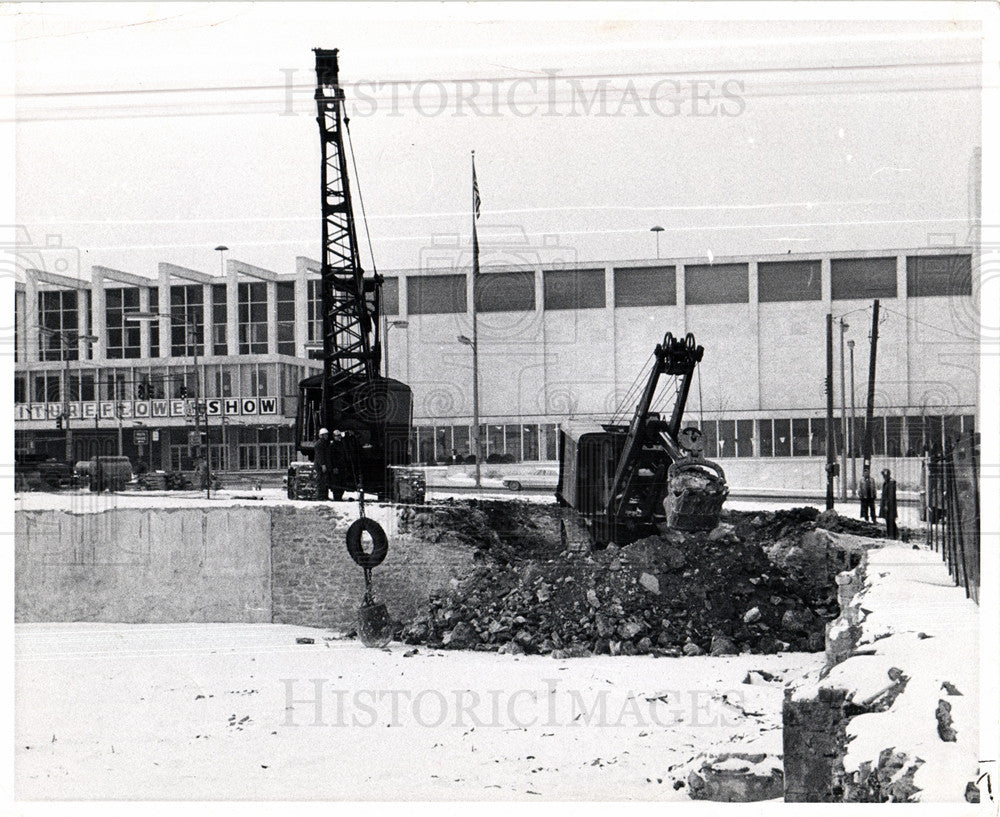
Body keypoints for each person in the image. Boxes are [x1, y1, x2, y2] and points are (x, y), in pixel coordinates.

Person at [314, 428, 333, 501]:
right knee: (321, 480)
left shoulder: (325, 443)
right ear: (321, 435)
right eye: (325, 435)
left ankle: (325, 496)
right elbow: (320, 455)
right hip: (320, 466)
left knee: (325, 480)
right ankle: (320, 496)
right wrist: (323, 465)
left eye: (327, 434)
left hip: (324, 465)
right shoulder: (319, 444)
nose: (327, 436)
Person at [879, 468, 898, 539]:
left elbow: (890, 495)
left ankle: (892, 535)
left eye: (884, 475)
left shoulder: (891, 483)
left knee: (890, 520)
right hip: (887, 504)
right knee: (888, 519)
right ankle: (892, 534)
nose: (883, 477)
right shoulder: (887, 482)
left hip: (890, 505)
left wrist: (886, 504)